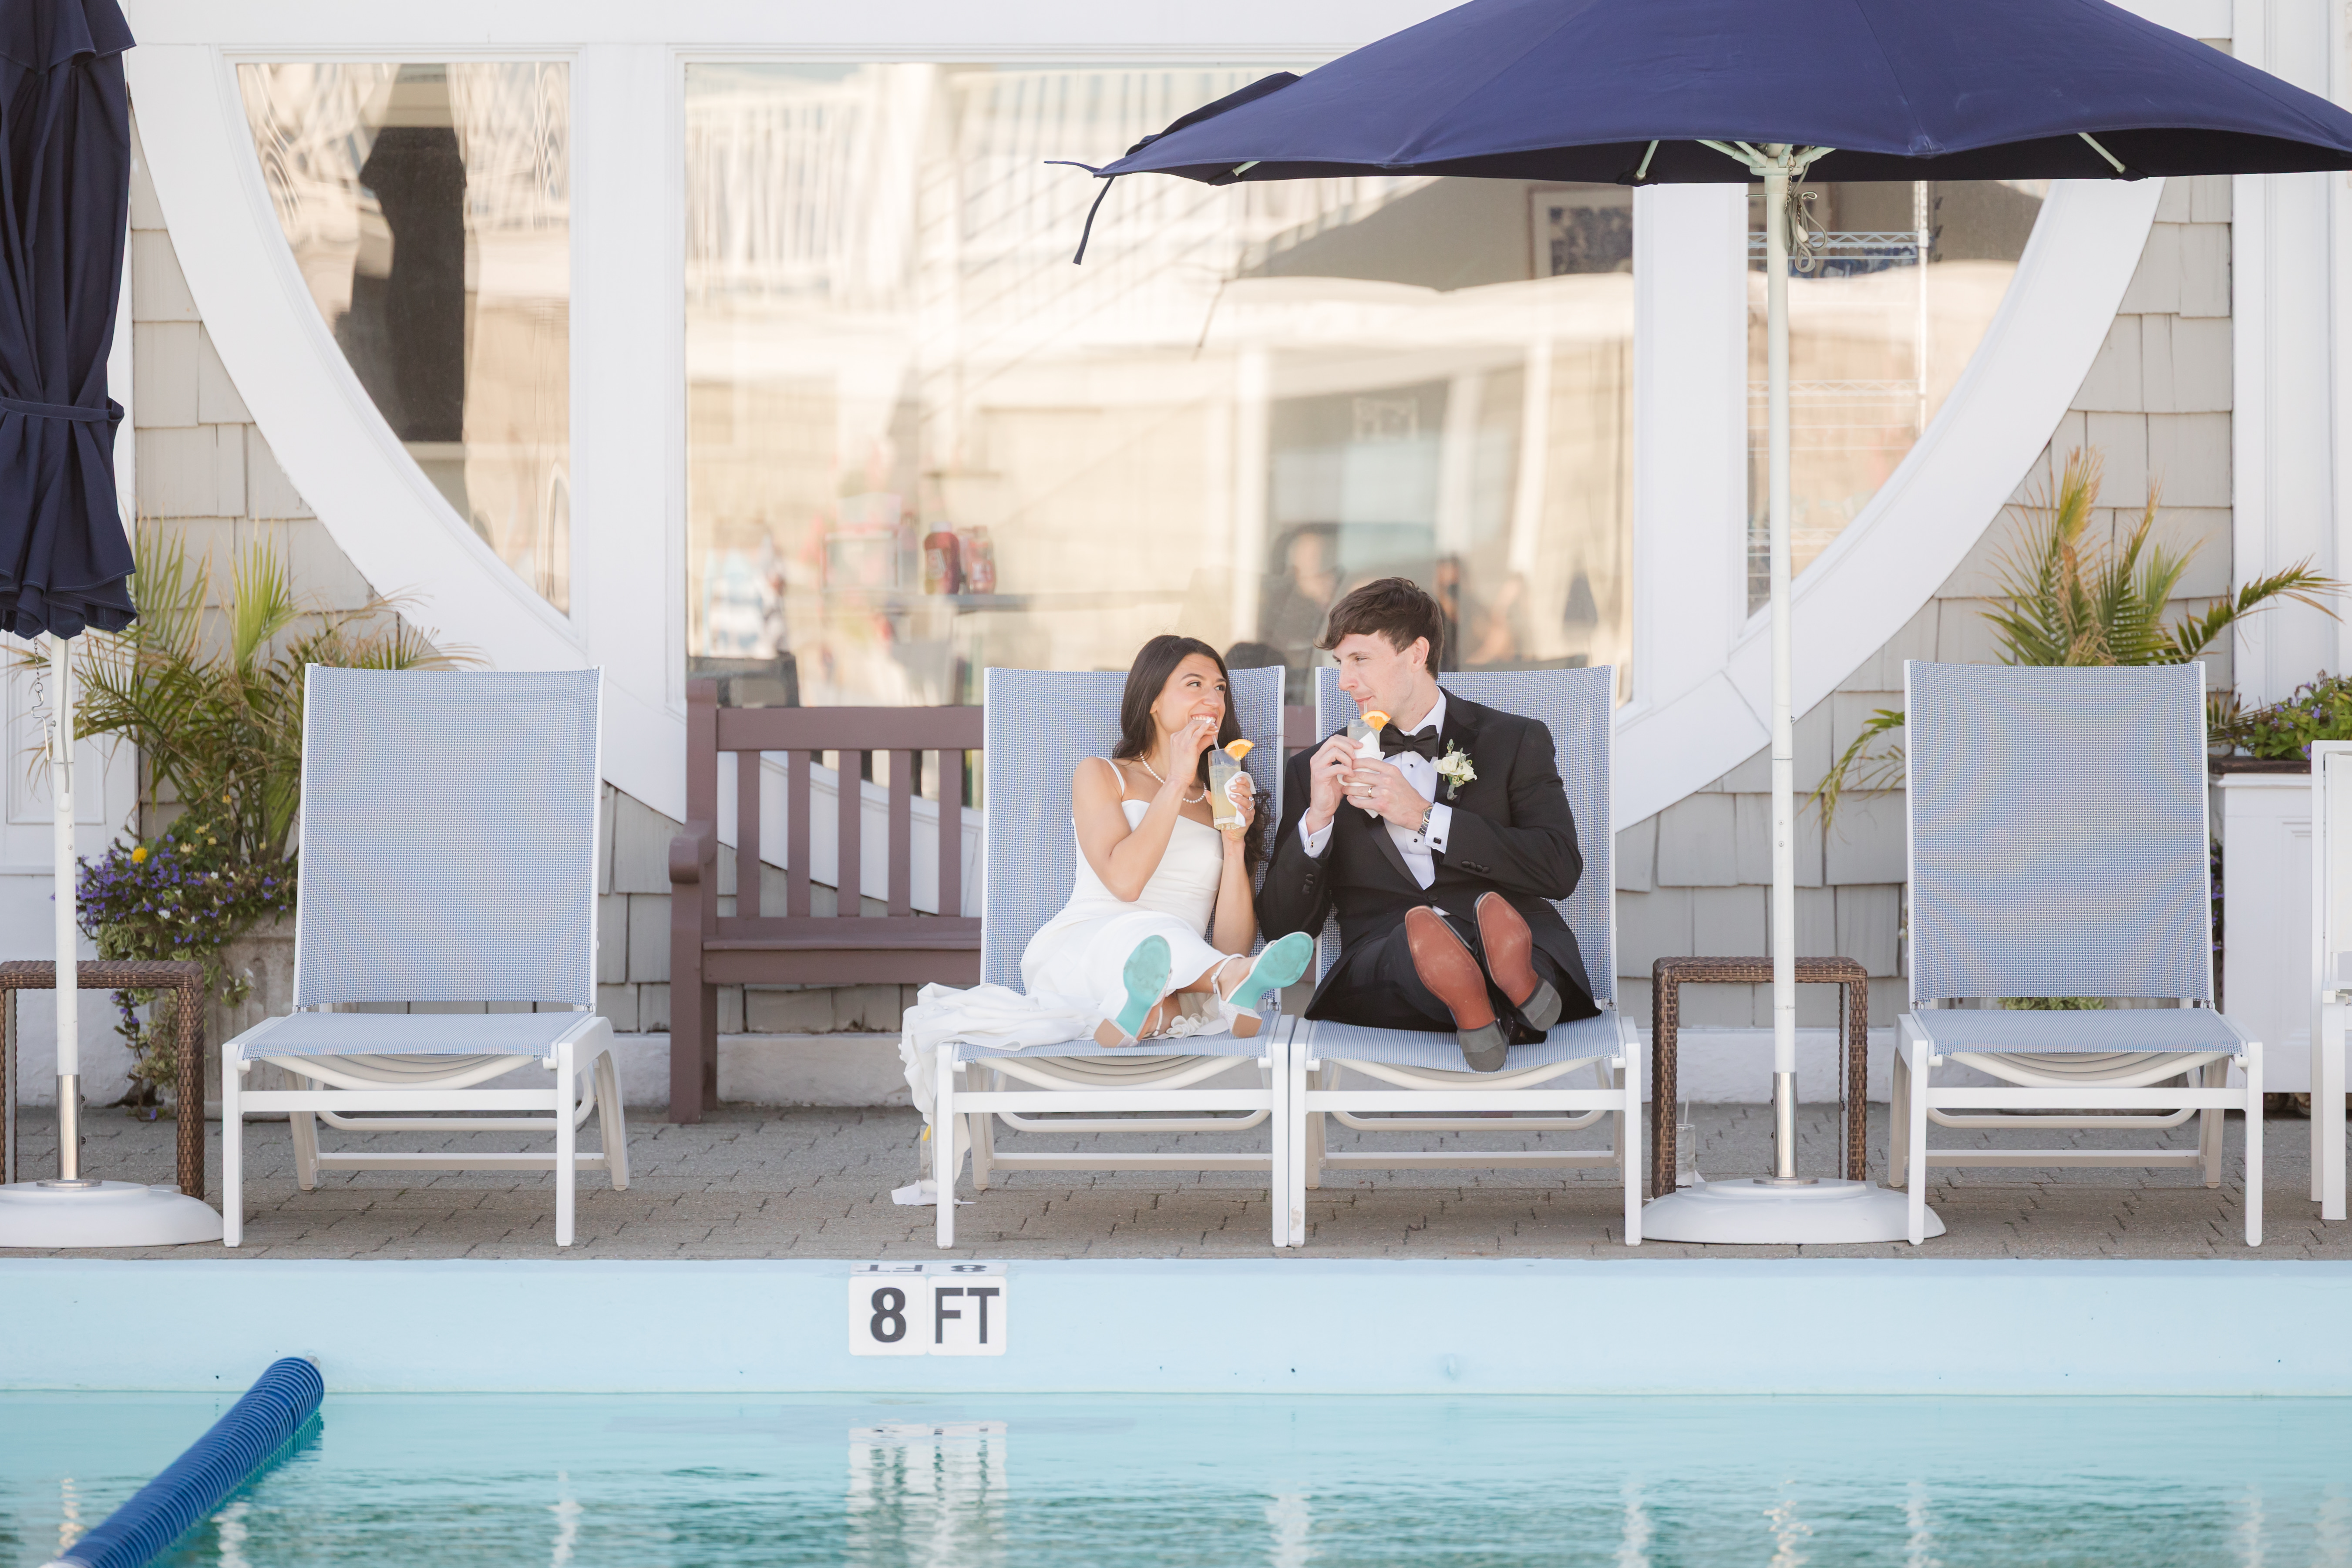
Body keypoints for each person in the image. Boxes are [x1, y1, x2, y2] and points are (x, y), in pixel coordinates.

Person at [898, 638, 1315, 1168]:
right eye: (1194, 685)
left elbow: (1229, 941)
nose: (1213, 697)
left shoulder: (1222, 794)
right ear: (1154, 702)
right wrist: (1179, 778)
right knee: (1153, 937)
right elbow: (1125, 883)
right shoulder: (1102, 774)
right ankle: (1236, 985)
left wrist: (1235, 840)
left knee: (1180, 956)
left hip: (1177, 965)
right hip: (1088, 944)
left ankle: (1141, 1012)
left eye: (1220, 688)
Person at [1259, 577, 1598, 1071]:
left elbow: (1559, 868)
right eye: (1339, 664)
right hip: (1387, 965)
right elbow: (1285, 927)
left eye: (1360, 660)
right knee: (1410, 946)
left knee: (1511, 942)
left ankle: (1505, 986)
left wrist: (1423, 815)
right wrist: (1319, 817)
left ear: (1416, 653)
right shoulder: (1316, 768)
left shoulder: (1514, 739)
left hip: (1513, 933)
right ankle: (1507, 1003)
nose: (1343, 682)